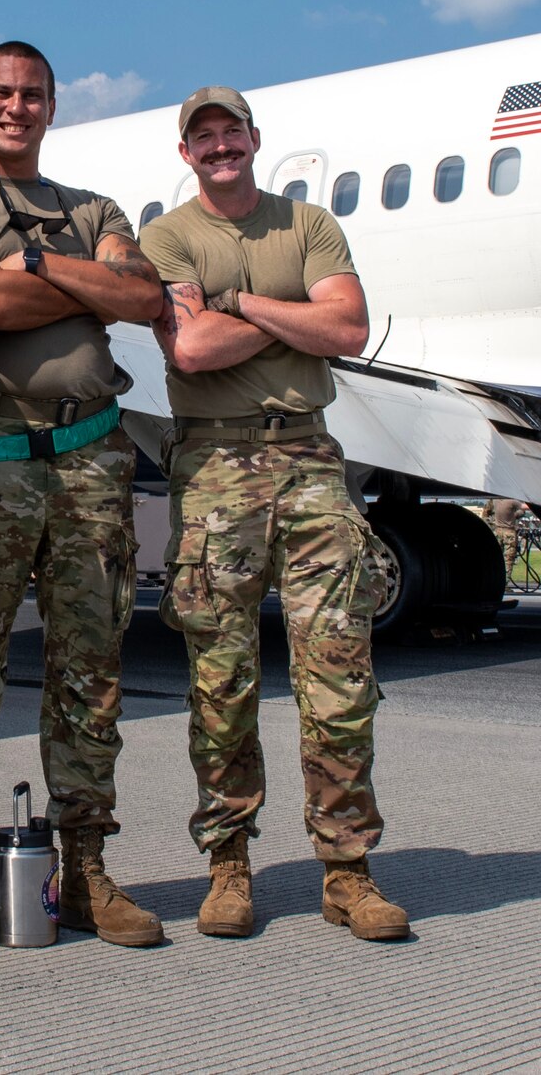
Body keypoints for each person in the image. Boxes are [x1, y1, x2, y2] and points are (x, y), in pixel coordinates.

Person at [0, 40, 166, 957]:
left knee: (90, 676)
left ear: (53, 107)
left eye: (34, 95)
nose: (18, 107)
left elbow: (141, 295)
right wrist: (80, 283)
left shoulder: (95, 207)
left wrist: (43, 270)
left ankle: (87, 869)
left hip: (92, 453)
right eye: (2, 94)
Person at [141, 85, 409, 943]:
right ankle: (227, 864)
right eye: (203, 138)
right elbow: (190, 347)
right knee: (222, 682)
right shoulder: (169, 236)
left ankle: (347, 870)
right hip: (214, 462)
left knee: (339, 672)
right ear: (187, 154)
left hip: (309, 457)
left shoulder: (309, 224)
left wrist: (244, 304)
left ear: (254, 140)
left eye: (231, 133)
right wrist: (297, 320)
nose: (219, 147)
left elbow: (351, 327)